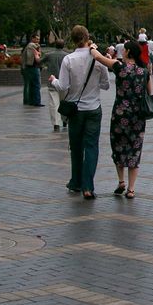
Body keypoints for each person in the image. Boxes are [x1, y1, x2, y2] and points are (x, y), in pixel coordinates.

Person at [49, 25, 110, 200]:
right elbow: (106, 85)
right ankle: (88, 186)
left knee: (76, 147)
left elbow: (63, 86)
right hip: (93, 108)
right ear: (87, 36)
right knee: (91, 146)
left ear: (73, 39)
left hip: (75, 110)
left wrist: (53, 80)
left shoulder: (68, 59)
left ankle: (75, 181)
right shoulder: (98, 58)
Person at [89, 39, 152, 199]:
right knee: (135, 149)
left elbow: (98, 58)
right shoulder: (144, 71)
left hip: (120, 114)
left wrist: (92, 47)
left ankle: (121, 181)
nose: (122, 52)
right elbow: (150, 93)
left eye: (124, 50)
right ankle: (131, 189)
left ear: (128, 52)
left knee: (118, 146)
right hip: (138, 116)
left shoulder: (119, 67)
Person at [38, 39, 69, 132]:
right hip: (64, 82)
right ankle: (65, 120)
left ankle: (56, 123)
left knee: (54, 104)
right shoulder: (67, 56)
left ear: (55, 45)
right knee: (64, 102)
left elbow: (39, 62)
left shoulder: (49, 55)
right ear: (63, 46)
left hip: (52, 82)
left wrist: (37, 55)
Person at [21, 34, 43, 107]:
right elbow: (34, 57)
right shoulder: (32, 45)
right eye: (36, 39)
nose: (38, 41)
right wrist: (38, 51)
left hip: (28, 68)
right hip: (32, 68)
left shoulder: (29, 45)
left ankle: (29, 101)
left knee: (30, 85)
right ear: (32, 39)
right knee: (36, 85)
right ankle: (36, 101)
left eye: (38, 39)